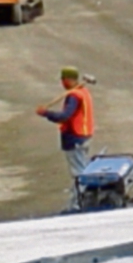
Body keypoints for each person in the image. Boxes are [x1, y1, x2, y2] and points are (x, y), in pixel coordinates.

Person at [36, 67, 93, 210]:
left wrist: (46, 113)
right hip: (84, 136)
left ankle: (77, 205)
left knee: (79, 174)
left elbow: (65, 116)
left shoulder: (74, 96)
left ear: (67, 80)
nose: (62, 83)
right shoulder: (83, 93)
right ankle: (79, 202)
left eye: (63, 79)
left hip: (75, 138)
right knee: (82, 170)